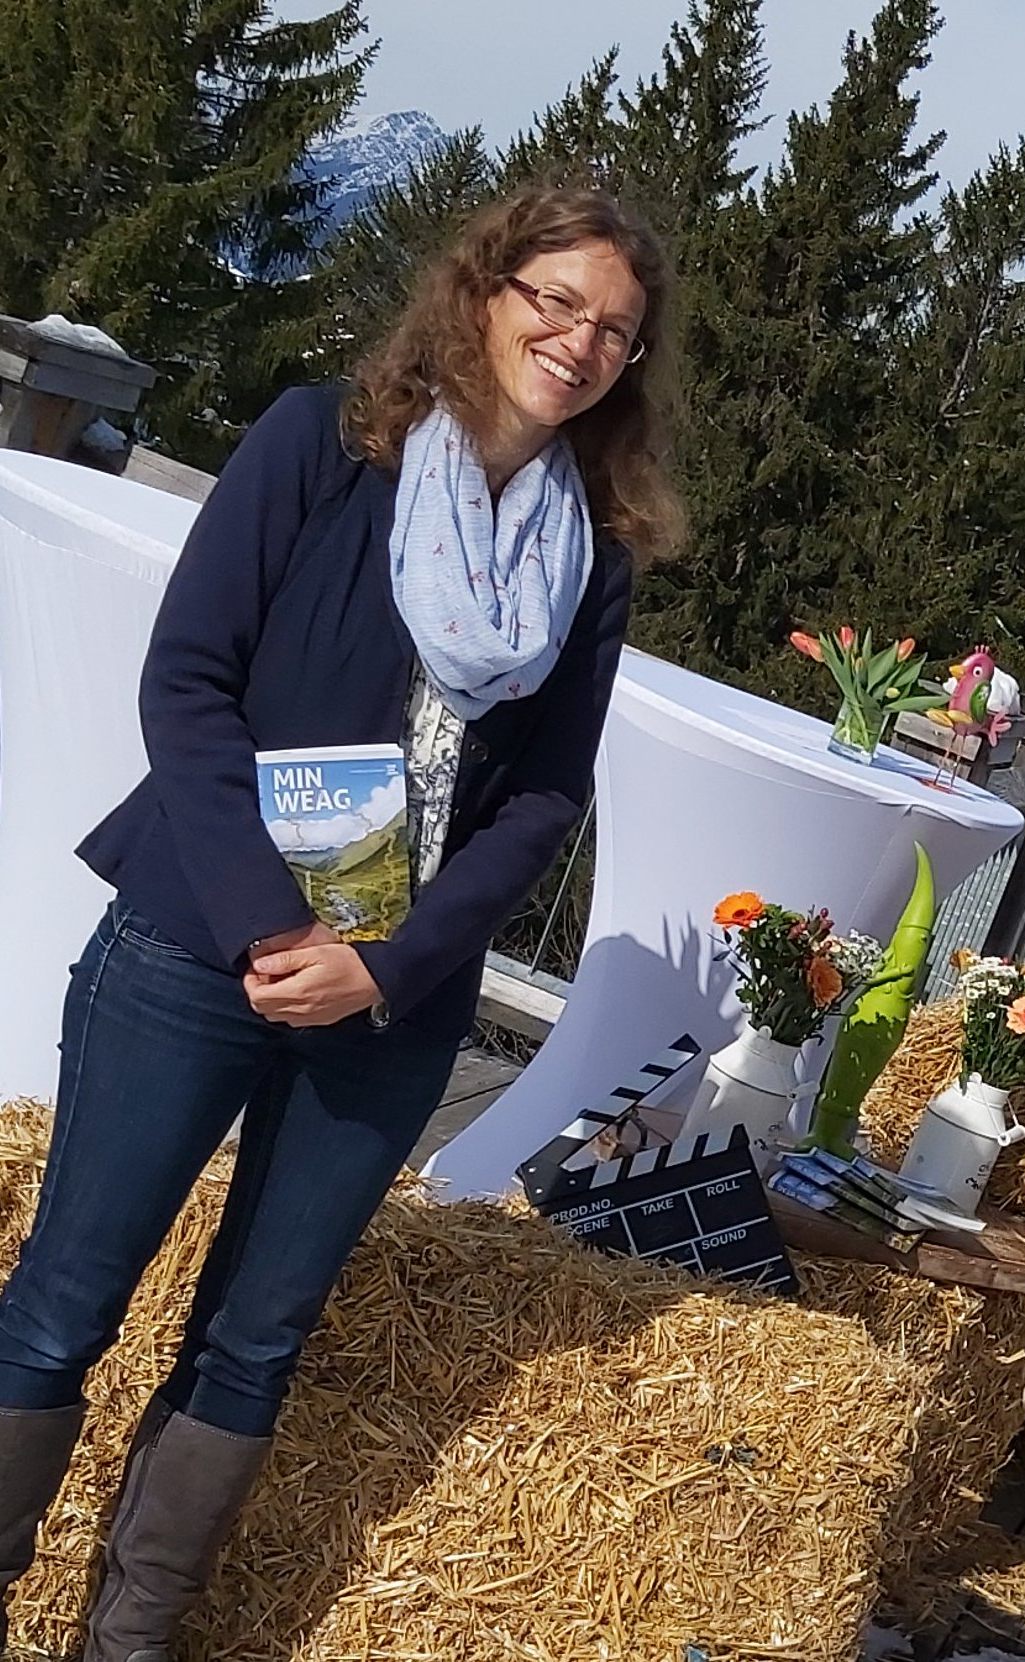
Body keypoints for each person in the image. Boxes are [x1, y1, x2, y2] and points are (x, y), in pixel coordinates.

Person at [0, 185, 682, 1660]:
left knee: (255, 1339)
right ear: (485, 288)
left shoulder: (591, 558)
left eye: (614, 330)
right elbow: (187, 685)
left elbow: (545, 797)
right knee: (66, 1304)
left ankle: (126, 1640)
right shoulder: (325, 443)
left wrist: (382, 963)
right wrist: (268, 931)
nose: (578, 341)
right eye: (555, 300)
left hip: (394, 997)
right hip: (196, 941)